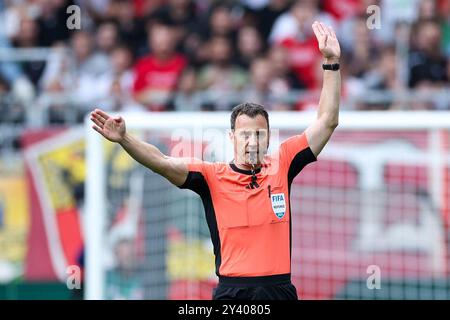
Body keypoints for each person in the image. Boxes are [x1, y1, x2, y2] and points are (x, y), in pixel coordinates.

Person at [90, 21, 341, 300]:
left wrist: (330, 64)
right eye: (245, 134)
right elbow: (161, 162)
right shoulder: (211, 176)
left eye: (259, 134)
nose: (252, 141)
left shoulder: (283, 162)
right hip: (231, 292)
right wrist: (125, 139)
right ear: (232, 137)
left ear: (268, 138)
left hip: (278, 290)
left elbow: (327, 121)